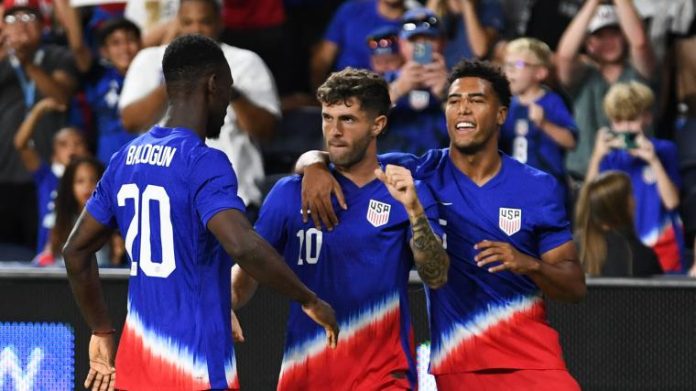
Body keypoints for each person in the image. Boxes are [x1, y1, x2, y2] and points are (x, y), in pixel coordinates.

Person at [63, 34, 338, 391]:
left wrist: (100, 328)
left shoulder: (124, 159)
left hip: (135, 367)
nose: (227, 104)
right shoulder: (203, 161)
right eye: (228, 90)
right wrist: (310, 299)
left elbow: (74, 251)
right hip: (194, 367)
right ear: (214, 84)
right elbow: (243, 246)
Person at [297, 60, 585, 390]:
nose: (462, 109)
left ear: (501, 114)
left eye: (476, 100)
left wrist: (529, 263)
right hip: (460, 364)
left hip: (536, 361)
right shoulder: (419, 171)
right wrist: (313, 163)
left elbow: (574, 287)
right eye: (453, 100)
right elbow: (345, 156)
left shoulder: (538, 187)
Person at [231, 68, 449, 390]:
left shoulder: (405, 190)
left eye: (347, 119)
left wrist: (415, 211)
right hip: (306, 376)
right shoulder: (290, 193)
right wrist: (223, 305)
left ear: (378, 125)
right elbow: (248, 270)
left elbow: (437, 275)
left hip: (384, 377)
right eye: (327, 117)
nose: (334, 131)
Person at [119, 0, 280, 217]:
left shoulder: (246, 62)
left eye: (204, 22)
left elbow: (266, 131)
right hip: (164, 204)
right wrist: (177, 78)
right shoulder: (149, 60)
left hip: (233, 200)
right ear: (177, 22)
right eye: (188, 22)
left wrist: (230, 91)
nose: (196, 29)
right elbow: (131, 121)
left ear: (220, 23)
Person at [0, 0, 78, 251]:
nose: (21, 24)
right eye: (13, 19)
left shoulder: (58, 56)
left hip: (46, 176)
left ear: (43, 26)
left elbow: (61, 98)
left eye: (29, 17)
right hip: (3, 173)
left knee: (42, 260)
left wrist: (27, 63)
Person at [585, 81, 684, 273]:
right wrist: (597, 156)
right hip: (623, 246)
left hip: (664, 244)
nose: (626, 128)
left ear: (647, 117)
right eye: (619, 121)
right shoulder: (609, 157)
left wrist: (654, 161)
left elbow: (672, 202)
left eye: (632, 119)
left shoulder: (664, 150)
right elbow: (589, 200)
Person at [556, 0, 656, 178]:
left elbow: (639, 43)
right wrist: (593, 3)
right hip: (586, 178)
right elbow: (564, 56)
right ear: (588, 43)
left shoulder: (639, 72)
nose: (608, 41)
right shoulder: (583, 75)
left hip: (637, 176)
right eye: (599, 36)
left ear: (624, 36)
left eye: (614, 34)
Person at [500, 37, 577, 205]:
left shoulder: (552, 101)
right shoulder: (507, 105)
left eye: (518, 65)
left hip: (548, 189)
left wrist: (545, 124)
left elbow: (571, 141)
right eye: (507, 65)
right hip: (514, 188)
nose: (509, 71)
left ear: (540, 72)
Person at [13, 97, 89, 254]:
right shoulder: (47, 177)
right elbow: (21, 144)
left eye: (78, 143)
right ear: (54, 156)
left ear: (87, 151)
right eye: (64, 144)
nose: (72, 148)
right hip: (48, 261)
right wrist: (38, 111)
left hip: (82, 260)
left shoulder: (95, 181)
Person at [37, 156, 125, 267]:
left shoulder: (111, 220)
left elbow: (114, 264)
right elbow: (50, 253)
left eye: (93, 180)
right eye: (80, 181)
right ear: (69, 187)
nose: (87, 186)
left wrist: (117, 255)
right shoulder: (60, 219)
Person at [382, 7, 449, 155]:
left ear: (443, 43)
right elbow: (363, 125)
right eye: (414, 40)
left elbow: (478, 134)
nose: (421, 47)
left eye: (429, 39)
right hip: (393, 167)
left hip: (443, 168)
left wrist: (447, 96)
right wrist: (397, 89)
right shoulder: (383, 82)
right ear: (401, 44)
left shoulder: (459, 84)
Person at [575, 170, 662, 277]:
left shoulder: (570, 249)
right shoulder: (640, 255)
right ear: (620, 206)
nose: (635, 202)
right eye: (631, 195)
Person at [310, 0, 408, 91]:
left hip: (393, 97)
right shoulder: (352, 10)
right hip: (344, 93)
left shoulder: (417, 20)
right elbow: (322, 60)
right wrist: (319, 97)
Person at [426, 0, 504, 68]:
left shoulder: (488, 6)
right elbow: (424, 53)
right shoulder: (436, 8)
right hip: (439, 73)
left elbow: (480, 51)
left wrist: (467, 5)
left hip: (469, 74)